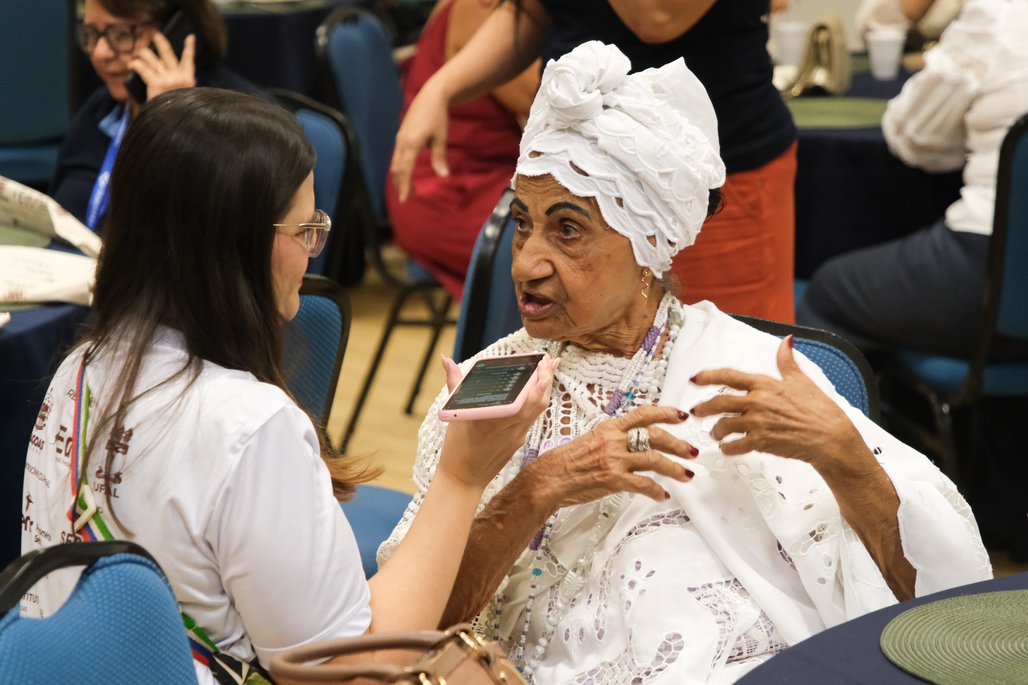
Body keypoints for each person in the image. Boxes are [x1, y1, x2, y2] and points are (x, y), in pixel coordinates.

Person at [21, 87, 691, 685]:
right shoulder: (249, 425)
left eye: (566, 228)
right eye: (304, 230)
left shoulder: (81, 369)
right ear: (233, 248)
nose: (314, 249)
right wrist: (466, 477)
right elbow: (354, 669)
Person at [380, 42, 991, 683]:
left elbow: (939, 606)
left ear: (648, 246)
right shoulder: (494, 386)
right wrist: (538, 489)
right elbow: (409, 631)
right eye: (522, 221)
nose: (527, 262)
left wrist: (844, 456)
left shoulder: (744, 373)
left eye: (568, 230)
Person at [391, 0, 797, 322]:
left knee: (713, 381)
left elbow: (656, 15)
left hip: (693, 184)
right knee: (580, 376)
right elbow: (534, 10)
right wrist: (441, 87)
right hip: (570, 173)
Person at [799, 0, 1028, 360]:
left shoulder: (999, 17)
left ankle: (862, 414)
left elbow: (912, 136)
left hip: (993, 272)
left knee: (830, 292)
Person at [50, 0, 256, 227]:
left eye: (121, 34)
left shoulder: (240, 122)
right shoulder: (101, 107)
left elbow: (195, 238)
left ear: (178, 31)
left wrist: (171, 123)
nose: (100, 53)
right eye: (90, 33)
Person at [386, 0, 539, 299]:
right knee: (575, 246)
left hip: (484, 177)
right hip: (446, 190)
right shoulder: (481, 8)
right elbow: (541, 101)